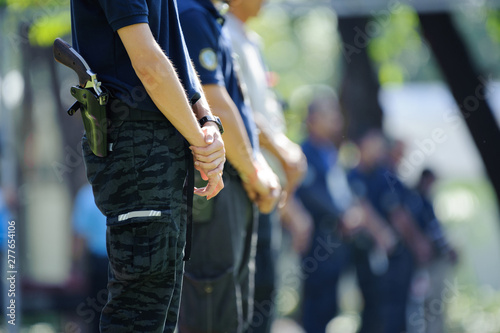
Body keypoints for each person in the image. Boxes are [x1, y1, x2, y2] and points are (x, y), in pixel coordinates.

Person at [71, 0, 226, 331]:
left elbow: (177, 61)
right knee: (139, 313)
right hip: (138, 148)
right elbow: (150, 66)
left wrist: (208, 123)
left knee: (159, 309)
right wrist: (202, 144)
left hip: (163, 146)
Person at [177, 1, 281, 332]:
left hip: (230, 180)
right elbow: (214, 100)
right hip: (215, 181)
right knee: (212, 310)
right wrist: (255, 173)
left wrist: (255, 169)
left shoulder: (209, 17)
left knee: (230, 311)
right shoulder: (192, 14)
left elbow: (237, 108)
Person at [225, 2, 309, 332]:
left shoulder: (249, 39)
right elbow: (235, 109)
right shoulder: (221, 31)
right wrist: (283, 151)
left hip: (265, 187)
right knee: (243, 297)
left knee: (264, 293)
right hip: (242, 183)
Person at [347, 130, 432, 333]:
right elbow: (395, 215)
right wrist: (416, 242)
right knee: (383, 308)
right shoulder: (369, 175)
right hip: (379, 252)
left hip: (388, 252)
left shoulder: (384, 176)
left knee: (388, 308)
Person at [406, 169, 458, 333]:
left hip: (429, 261)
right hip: (422, 263)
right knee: (422, 305)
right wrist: (446, 249)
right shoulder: (414, 200)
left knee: (432, 306)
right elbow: (433, 232)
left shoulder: (424, 200)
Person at [71, 184, 108, 332]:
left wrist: (75, 266)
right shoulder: (118, 189)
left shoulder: (86, 195)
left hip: (97, 263)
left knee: (96, 310)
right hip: (121, 261)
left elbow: (80, 236)